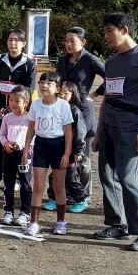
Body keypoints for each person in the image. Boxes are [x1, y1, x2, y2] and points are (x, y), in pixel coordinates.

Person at [92, 12, 138, 251]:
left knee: (128, 179)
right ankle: (117, 224)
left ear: (124, 30)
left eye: (109, 31)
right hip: (109, 124)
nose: (106, 36)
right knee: (107, 176)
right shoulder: (110, 62)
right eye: (104, 32)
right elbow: (107, 98)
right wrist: (99, 132)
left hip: (131, 127)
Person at [0, 28, 37, 191]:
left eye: (17, 40)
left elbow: (29, 89)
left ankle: (16, 179)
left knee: (16, 144)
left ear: (23, 43)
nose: (13, 43)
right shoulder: (0, 61)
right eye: (10, 40)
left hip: (19, 114)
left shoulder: (29, 64)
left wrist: (11, 108)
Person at [25, 72, 75, 238]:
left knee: (58, 187)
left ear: (58, 89)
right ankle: (33, 222)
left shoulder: (63, 106)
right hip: (40, 145)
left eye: (50, 83)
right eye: (42, 82)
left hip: (58, 146)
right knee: (38, 186)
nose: (44, 85)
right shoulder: (35, 104)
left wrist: (67, 154)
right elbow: (31, 128)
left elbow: (69, 131)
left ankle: (61, 221)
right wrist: (26, 149)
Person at [47, 81, 93, 214]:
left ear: (73, 94)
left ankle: (81, 200)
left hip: (71, 152)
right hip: (58, 150)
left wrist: (78, 151)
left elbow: (80, 132)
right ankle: (54, 199)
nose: (62, 96)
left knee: (71, 177)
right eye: (60, 93)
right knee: (53, 176)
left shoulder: (75, 111)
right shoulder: (56, 108)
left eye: (65, 93)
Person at [0, 86, 34, 227]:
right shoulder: (7, 117)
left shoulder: (30, 118)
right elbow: (1, 134)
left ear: (26, 102)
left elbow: (34, 136)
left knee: (25, 183)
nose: (12, 103)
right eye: (11, 100)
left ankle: (25, 212)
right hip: (8, 153)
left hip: (25, 155)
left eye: (17, 101)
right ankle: (8, 211)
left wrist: (22, 145)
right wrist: (6, 143)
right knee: (8, 183)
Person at [57, 27, 108, 103]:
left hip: (81, 106)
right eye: (66, 41)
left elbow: (110, 78)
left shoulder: (90, 60)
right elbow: (56, 81)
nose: (68, 44)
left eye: (72, 41)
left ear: (83, 42)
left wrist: (95, 93)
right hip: (62, 106)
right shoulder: (62, 60)